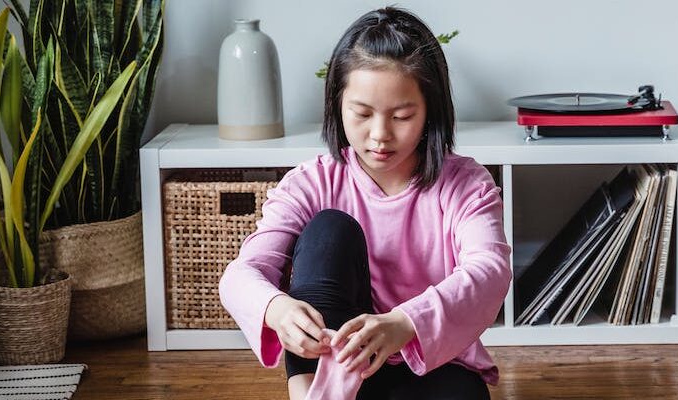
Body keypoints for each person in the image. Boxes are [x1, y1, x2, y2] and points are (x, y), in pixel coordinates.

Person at [219, 7, 510, 399]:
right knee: (329, 230)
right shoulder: (312, 182)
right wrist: (276, 308)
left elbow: (489, 271)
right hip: (330, 371)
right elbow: (242, 272)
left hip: (429, 365)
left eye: (402, 116)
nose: (379, 135)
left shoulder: (465, 184)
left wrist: (404, 322)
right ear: (338, 106)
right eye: (362, 114)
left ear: (430, 112)